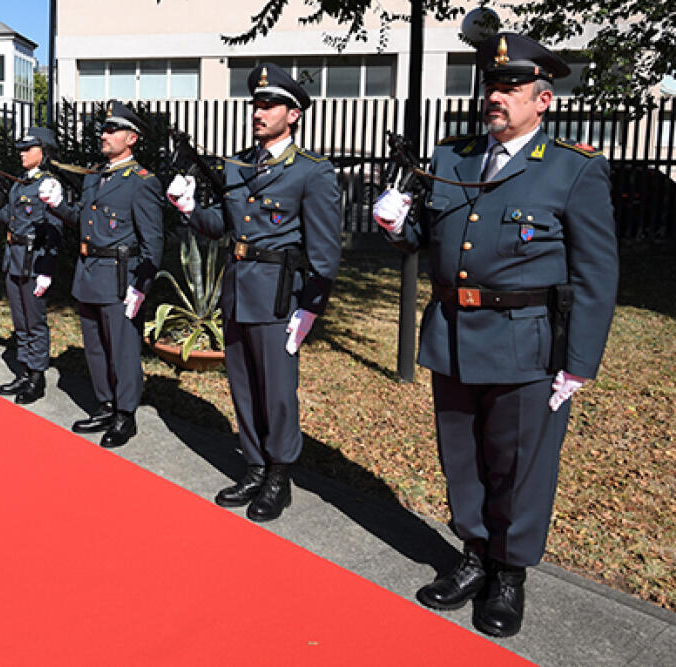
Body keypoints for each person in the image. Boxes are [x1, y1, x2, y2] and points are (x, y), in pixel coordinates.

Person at [372, 33, 618, 638]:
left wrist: (580, 362)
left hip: (525, 343)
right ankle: (475, 553)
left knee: (519, 465)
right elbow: (428, 239)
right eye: (493, 86)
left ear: (544, 100)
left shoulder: (572, 169)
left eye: (511, 88)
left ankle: (510, 571)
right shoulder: (452, 159)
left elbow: (596, 273)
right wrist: (396, 226)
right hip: (453, 333)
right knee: (462, 459)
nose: (496, 97)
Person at [167, 64, 342, 522]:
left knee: (278, 391)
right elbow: (221, 228)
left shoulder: (311, 172)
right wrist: (187, 207)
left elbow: (325, 253)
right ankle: (254, 463)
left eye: (270, 104)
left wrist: (311, 308)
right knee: (242, 383)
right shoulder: (237, 165)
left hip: (279, 295)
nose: (259, 111)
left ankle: (280, 474)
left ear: (295, 113)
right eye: (256, 104)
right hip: (237, 288)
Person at [44, 101, 164, 448]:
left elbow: (153, 240)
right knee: (95, 348)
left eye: (113, 130)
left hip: (120, 277)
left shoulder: (142, 181)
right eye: (105, 129)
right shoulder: (95, 176)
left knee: (123, 349)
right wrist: (59, 207)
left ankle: (125, 414)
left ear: (132, 138)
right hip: (90, 272)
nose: (105, 134)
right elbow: (83, 221)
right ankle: (105, 403)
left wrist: (141, 284)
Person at [0, 127, 63, 404]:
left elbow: (55, 230)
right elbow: (7, 218)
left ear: (44, 152)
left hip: (34, 259)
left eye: (28, 149)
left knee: (34, 321)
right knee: (20, 320)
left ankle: (37, 376)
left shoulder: (49, 184)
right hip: (14, 258)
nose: (22, 154)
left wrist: (47, 270)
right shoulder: (20, 184)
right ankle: (25, 370)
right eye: (22, 149)